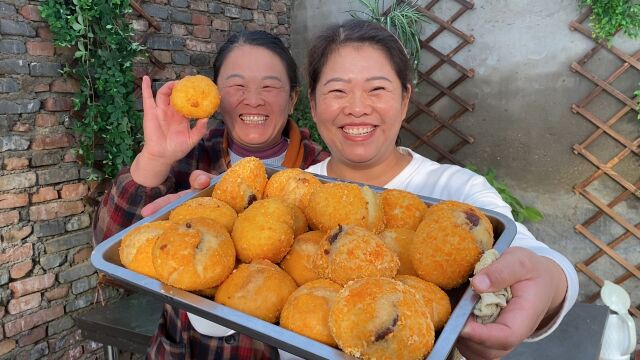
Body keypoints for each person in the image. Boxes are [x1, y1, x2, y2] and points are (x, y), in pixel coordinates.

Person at [301, 19, 579, 360]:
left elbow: (531, 253)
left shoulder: (455, 189)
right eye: (337, 91)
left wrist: (550, 282)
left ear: (404, 100)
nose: (357, 107)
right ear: (313, 105)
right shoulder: (299, 193)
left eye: (377, 89)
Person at [93, 30, 328, 359]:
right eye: (237, 85)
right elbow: (113, 247)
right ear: (217, 96)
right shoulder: (191, 157)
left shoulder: (320, 172)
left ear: (292, 97)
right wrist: (155, 158)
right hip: (186, 349)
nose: (254, 99)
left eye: (270, 86)